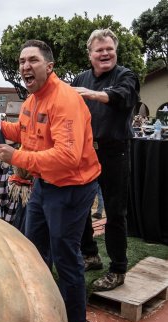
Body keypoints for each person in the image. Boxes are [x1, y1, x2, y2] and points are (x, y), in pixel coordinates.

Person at [0, 40, 101, 322]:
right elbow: (23, 131)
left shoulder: (66, 100)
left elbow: (68, 156)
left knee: (65, 257)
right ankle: (43, 314)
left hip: (71, 188)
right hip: (45, 185)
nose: (24, 66)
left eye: (32, 60)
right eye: (21, 61)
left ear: (49, 66)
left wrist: (16, 158)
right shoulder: (32, 100)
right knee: (34, 252)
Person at [72, 29, 140, 291]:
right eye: (99, 50)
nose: (105, 53)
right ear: (90, 55)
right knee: (80, 206)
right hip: (88, 152)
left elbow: (123, 97)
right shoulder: (81, 78)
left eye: (109, 48)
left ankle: (118, 268)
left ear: (115, 51)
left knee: (115, 212)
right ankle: (90, 255)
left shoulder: (125, 75)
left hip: (116, 152)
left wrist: (90, 94)